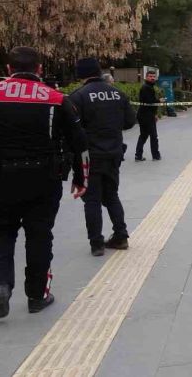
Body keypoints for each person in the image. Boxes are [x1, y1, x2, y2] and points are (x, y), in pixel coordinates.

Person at [0, 47, 89, 317]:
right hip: (43, 179)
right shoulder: (57, 99)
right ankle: (37, 295)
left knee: (2, 234)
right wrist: (81, 178)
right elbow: (80, 143)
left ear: (8, 70)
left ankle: (1, 284)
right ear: (39, 69)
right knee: (39, 236)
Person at [69, 58, 137, 256]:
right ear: (99, 72)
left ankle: (96, 244)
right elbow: (130, 122)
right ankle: (121, 236)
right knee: (112, 195)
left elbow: (72, 130)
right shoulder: (118, 93)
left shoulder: (78, 96)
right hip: (114, 153)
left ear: (80, 75)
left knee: (92, 200)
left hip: (90, 156)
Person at [135, 70, 161, 161]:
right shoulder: (147, 87)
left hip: (145, 114)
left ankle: (138, 155)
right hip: (147, 116)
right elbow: (150, 102)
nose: (152, 78)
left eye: (154, 76)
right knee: (153, 136)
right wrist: (159, 101)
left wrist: (154, 114)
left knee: (143, 135)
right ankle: (156, 156)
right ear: (146, 77)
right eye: (150, 76)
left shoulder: (149, 86)